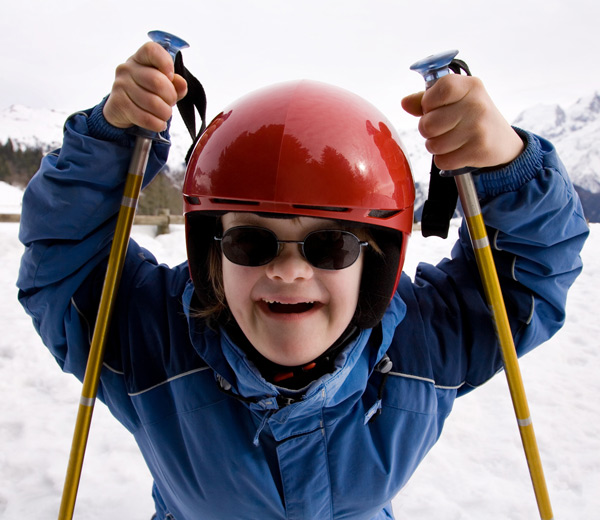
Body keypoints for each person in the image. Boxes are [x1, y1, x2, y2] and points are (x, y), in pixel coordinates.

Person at [17, 41, 588, 520]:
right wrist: (111, 142)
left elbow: (530, 275)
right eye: (250, 242)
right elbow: (65, 262)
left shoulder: (422, 346)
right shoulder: (151, 342)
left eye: (330, 245)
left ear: (377, 261)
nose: (288, 271)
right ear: (212, 254)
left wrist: (505, 167)